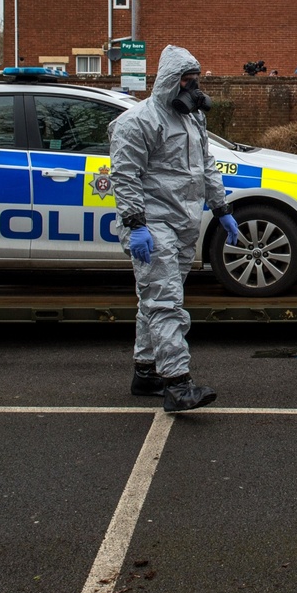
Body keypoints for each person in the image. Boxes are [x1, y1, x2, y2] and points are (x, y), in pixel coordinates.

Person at [109, 44, 239, 413]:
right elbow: (125, 176)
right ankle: (178, 383)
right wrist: (136, 224)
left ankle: (146, 371)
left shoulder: (192, 119)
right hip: (153, 224)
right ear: (169, 81)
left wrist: (221, 207)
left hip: (183, 223)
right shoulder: (137, 122)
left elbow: (206, 165)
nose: (193, 88)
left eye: (196, 81)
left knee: (153, 300)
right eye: (186, 81)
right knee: (166, 303)